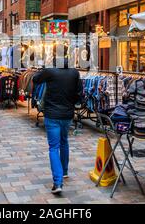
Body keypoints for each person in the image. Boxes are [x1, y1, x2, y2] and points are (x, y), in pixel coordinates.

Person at [32, 61, 83, 195]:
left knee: (54, 147)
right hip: (67, 114)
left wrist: (42, 69)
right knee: (64, 142)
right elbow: (79, 93)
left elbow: (35, 79)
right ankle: (64, 171)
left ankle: (58, 182)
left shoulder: (50, 71)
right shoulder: (74, 73)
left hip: (52, 114)